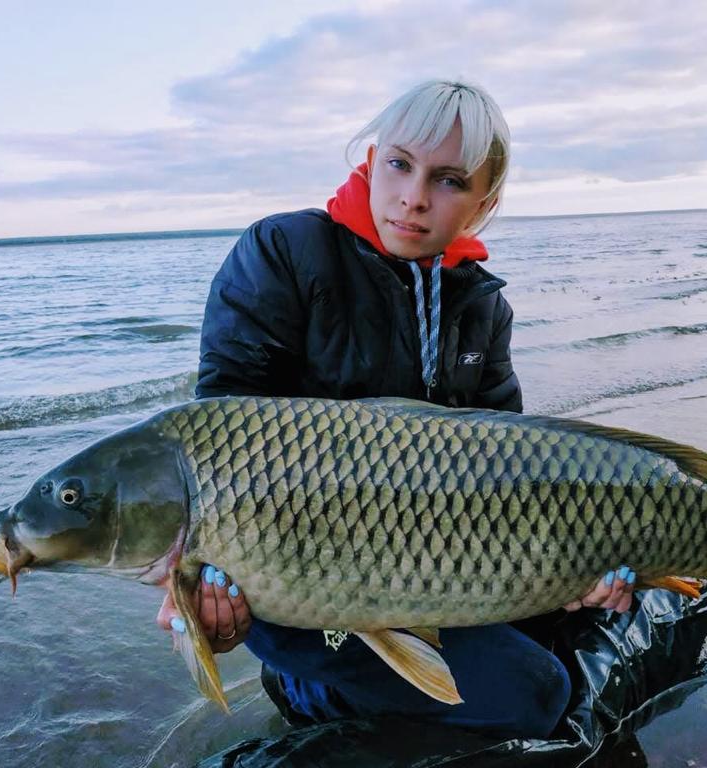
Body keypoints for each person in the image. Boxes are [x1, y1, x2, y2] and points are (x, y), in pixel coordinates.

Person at [155, 79, 636, 738]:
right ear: (372, 159)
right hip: (299, 575)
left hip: (434, 562)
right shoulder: (285, 253)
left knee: (574, 626)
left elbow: (513, 461)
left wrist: (573, 572)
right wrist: (200, 584)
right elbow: (217, 437)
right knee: (539, 695)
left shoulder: (482, 305)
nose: (413, 197)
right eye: (400, 165)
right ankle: (308, 687)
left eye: (448, 180)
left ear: (483, 202)